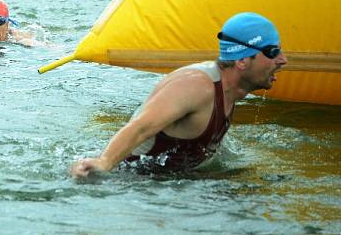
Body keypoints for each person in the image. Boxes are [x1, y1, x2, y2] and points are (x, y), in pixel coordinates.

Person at [71, 12, 288, 177]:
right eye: (272, 52)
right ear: (242, 60)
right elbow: (140, 127)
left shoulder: (230, 91)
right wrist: (104, 162)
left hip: (169, 183)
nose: (283, 60)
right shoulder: (196, 85)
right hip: (128, 184)